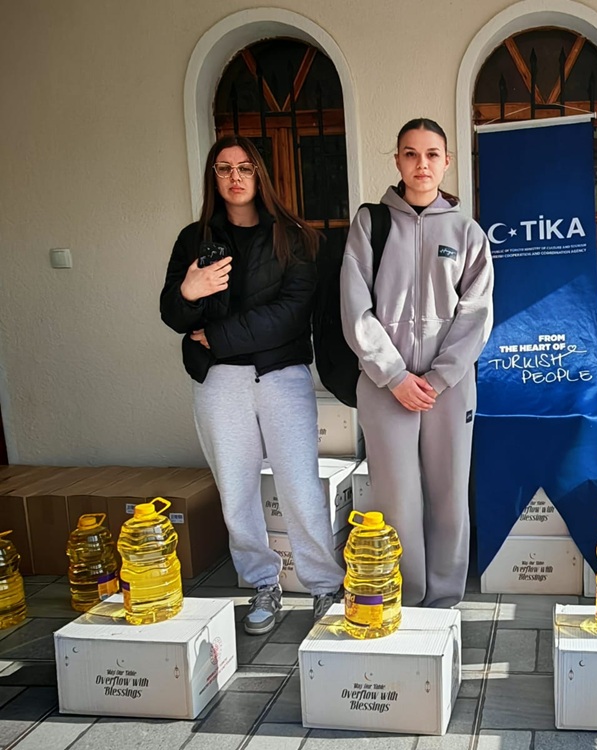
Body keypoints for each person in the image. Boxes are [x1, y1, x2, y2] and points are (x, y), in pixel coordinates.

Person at [160, 135, 344, 635]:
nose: (235, 177)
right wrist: (188, 292)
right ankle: (263, 583)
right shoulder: (193, 239)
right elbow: (174, 316)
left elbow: (291, 315)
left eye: (244, 167)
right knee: (236, 490)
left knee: (300, 486)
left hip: (282, 377)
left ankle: (324, 585)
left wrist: (217, 335)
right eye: (224, 168)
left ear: (260, 174)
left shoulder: (295, 237)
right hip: (220, 382)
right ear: (213, 177)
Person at [340, 118, 494, 608]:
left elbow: (476, 314)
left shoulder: (467, 232)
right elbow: (355, 307)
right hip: (384, 387)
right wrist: (395, 376)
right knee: (397, 499)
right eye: (410, 153)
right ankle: (406, 599)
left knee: (449, 494)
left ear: (447, 162)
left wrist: (439, 378)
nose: (421, 164)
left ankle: (444, 599)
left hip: (449, 389)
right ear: (398, 161)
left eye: (431, 154)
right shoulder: (370, 225)